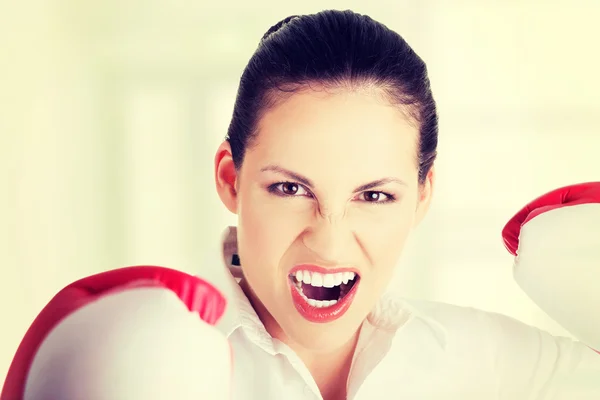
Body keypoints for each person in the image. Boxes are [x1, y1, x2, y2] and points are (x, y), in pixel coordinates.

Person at [3, 9, 600, 400]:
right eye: (290, 188)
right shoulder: (152, 362)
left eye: (374, 195)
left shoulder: (478, 360)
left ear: (422, 197)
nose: (330, 241)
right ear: (231, 179)